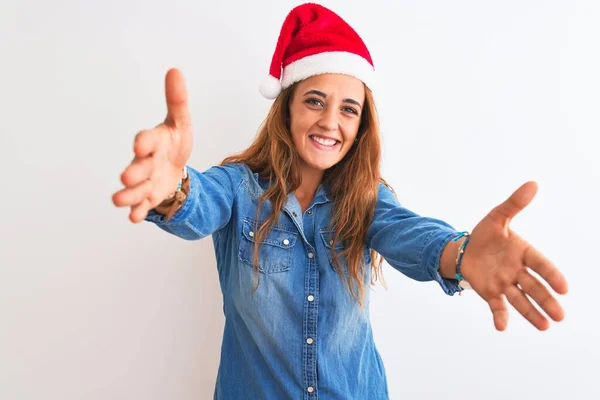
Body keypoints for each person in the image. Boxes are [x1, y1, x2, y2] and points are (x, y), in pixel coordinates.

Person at [111, 3, 569, 399]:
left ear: (361, 124)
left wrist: (462, 255)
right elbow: (198, 205)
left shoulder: (368, 199)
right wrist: (173, 188)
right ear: (287, 106)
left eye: (349, 108)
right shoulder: (238, 187)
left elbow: (411, 236)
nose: (331, 121)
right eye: (314, 101)